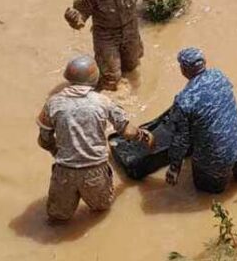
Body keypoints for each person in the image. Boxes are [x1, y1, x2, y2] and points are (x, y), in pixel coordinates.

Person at [36, 55, 153, 223]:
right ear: (94, 78)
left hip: (64, 171)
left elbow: (43, 140)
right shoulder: (103, 102)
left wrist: (56, 151)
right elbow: (126, 131)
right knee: (101, 209)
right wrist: (143, 135)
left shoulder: (53, 104)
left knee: (57, 219)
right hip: (94, 170)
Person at [63, 0, 169, 91]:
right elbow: (80, 21)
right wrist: (73, 19)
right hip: (106, 35)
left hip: (130, 29)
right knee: (111, 78)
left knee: (132, 66)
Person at [166, 47, 237, 194]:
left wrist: (174, 168)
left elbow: (180, 141)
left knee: (207, 195)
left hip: (215, 161)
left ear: (183, 69)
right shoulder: (219, 76)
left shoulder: (184, 101)